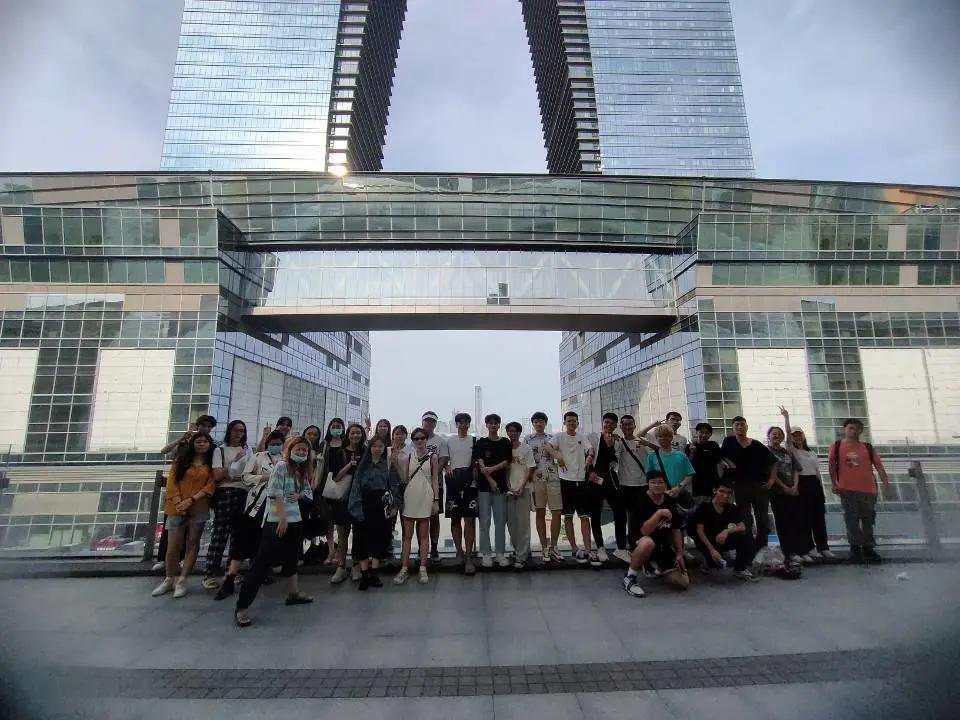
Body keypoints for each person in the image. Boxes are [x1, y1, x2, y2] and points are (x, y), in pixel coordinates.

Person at [233, 436, 314, 627]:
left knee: (292, 559)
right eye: (298, 449)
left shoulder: (301, 470)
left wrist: (299, 495)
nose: (301, 452)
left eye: (304, 450)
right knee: (262, 563)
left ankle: (294, 593)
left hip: (295, 520)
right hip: (276, 521)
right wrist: (282, 518)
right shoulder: (281, 467)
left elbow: (308, 492)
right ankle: (242, 607)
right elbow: (274, 492)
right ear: (290, 450)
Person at [214, 430, 285, 601]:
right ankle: (230, 578)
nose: (275, 446)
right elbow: (245, 477)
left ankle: (260, 573)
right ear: (267, 443)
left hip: (277, 506)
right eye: (272, 443)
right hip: (256, 504)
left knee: (266, 541)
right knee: (243, 540)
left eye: (278, 443)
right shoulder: (258, 457)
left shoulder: (286, 459)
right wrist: (265, 477)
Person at [151, 432, 216, 599]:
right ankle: (169, 579)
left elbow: (210, 485)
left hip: (199, 506)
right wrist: (179, 502)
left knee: (192, 544)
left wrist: (192, 500)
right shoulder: (181, 461)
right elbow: (171, 483)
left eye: (205, 442)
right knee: (173, 546)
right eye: (198, 441)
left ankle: (182, 580)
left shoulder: (211, 463)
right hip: (176, 507)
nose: (202, 444)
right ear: (192, 444)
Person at [828, 418, 890, 564]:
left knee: (868, 520)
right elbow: (831, 466)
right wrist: (834, 483)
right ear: (845, 430)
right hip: (847, 489)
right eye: (851, 428)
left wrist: (886, 484)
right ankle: (855, 548)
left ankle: (868, 548)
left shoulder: (867, 447)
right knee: (852, 520)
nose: (854, 431)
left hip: (868, 490)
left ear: (861, 431)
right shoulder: (837, 446)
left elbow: (879, 466)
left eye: (857, 429)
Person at [621, 471, 690, 598]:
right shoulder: (641, 500)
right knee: (648, 543)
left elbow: (676, 529)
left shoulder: (670, 501)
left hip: (662, 545)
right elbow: (645, 531)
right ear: (648, 484)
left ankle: (656, 566)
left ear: (665, 485)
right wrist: (658, 514)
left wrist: (680, 553)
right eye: (653, 482)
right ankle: (630, 577)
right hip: (641, 540)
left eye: (660, 482)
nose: (657, 485)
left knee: (683, 582)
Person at [202, 420, 251, 589]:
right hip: (225, 492)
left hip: (244, 492)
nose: (239, 434)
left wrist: (233, 474)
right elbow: (218, 475)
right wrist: (233, 463)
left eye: (242, 431)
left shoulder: (247, 450)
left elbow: (249, 473)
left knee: (238, 534)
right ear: (229, 431)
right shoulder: (220, 450)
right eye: (236, 430)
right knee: (220, 533)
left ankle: (232, 572)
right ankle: (210, 573)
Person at [720, 416, 776, 563]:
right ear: (733, 427)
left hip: (759, 485)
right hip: (739, 486)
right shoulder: (729, 441)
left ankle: (761, 550)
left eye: (742, 424)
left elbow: (773, 462)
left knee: (763, 519)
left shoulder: (756, 444)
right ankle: (748, 551)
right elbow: (720, 457)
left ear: (747, 426)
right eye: (737, 425)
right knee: (745, 519)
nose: (740, 427)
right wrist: (728, 464)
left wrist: (771, 480)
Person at [348, 436, 399, 590]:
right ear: (369, 448)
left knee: (379, 539)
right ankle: (364, 576)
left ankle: (374, 574)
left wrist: (394, 506)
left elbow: (393, 486)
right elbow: (355, 487)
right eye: (374, 446)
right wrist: (356, 509)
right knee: (362, 541)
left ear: (384, 449)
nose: (377, 449)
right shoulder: (362, 466)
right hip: (364, 505)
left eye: (380, 446)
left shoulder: (387, 465)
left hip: (381, 506)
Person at [783, 414, 836, 560]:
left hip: (814, 483)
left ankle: (823, 547)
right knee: (804, 518)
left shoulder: (811, 452)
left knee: (818, 517)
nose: (797, 437)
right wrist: (786, 418)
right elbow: (787, 434)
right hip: (802, 482)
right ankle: (808, 548)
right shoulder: (792, 450)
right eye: (794, 435)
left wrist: (821, 487)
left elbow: (817, 471)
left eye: (799, 434)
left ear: (803, 435)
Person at [548, 411, 594, 564]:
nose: (572, 423)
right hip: (565, 480)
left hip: (581, 480)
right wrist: (558, 456)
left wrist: (590, 456)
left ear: (577, 423)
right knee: (568, 516)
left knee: (584, 517)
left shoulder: (582, 437)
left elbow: (590, 449)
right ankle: (574, 548)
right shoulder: (559, 437)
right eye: (569, 421)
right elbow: (547, 446)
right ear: (564, 422)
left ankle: (588, 549)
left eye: (574, 421)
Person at [689, 478, 759, 582]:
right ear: (714, 491)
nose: (725, 495)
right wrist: (712, 551)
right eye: (721, 491)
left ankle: (740, 569)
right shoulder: (704, 508)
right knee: (715, 565)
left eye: (729, 493)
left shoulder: (731, 508)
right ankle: (707, 562)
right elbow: (700, 532)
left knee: (746, 537)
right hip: (705, 541)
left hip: (721, 538)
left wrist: (726, 531)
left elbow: (742, 527)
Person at [394, 428, 439, 585]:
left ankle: (422, 567)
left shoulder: (433, 457)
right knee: (407, 536)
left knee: (424, 535)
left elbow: (435, 479)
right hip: (410, 495)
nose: (419, 441)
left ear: (426, 439)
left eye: (422, 438)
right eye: (416, 438)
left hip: (426, 496)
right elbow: (404, 478)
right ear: (412, 441)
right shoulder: (409, 456)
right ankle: (404, 567)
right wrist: (395, 462)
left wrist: (436, 500)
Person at [613, 414, 659, 559]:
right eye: (624, 424)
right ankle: (623, 546)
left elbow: (659, 451)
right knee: (623, 517)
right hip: (624, 485)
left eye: (630, 424)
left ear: (634, 425)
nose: (627, 427)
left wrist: (648, 444)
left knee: (641, 517)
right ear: (621, 427)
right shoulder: (618, 442)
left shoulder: (643, 441)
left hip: (642, 485)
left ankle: (640, 545)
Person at [586, 412, 627, 567]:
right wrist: (590, 472)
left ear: (615, 426)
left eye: (611, 423)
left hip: (610, 480)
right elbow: (587, 455)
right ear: (602, 423)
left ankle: (621, 548)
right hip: (594, 479)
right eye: (606, 422)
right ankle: (600, 547)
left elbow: (615, 461)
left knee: (620, 512)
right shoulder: (592, 437)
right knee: (595, 514)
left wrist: (610, 446)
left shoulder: (618, 442)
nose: (608, 425)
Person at [327, 423, 366, 583]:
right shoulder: (340, 452)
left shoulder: (366, 451)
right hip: (343, 497)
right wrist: (349, 465)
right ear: (347, 435)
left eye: (358, 432)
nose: (355, 435)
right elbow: (335, 477)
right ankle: (341, 566)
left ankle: (356, 565)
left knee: (358, 533)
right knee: (342, 533)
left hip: (360, 498)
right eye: (352, 433)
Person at [473, 414, 512, 568]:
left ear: (499, 425)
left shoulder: (505, 442)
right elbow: (480, 463)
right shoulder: (481, 442)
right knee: (484, 521)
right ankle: (486, 554)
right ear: (486, 425)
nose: (493, 425)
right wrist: (490, 479)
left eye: (496, 423)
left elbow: (507, 462)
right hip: (484, 486)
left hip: (501, 486)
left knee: (500, 521)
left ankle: (500, 553)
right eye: (490, 423)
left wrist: (492, 469)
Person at [526, 412, 563, 564]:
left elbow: (560, 456)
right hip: (536, 480)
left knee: (557, 512)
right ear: (533, 424)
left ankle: (554, 546)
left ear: (545, 423)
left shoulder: (553, 438)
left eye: (541, 421)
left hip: (554, 478)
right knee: (540, 513)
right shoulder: (528, 439)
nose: (539, 424)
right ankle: (544, 547)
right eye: (536, 421)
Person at [766, 421, 804, 566]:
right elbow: (771, 474)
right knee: (782, 522)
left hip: (792, 491)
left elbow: (795, 470)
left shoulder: (786, 452)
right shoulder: (766, 452)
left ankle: (796, 550)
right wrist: (785, 487)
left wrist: (794, 486)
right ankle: (788, 552)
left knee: (794, 521)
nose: (777, 436)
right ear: (769, 436)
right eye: (774, 434)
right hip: (777, 492)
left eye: (779, 434)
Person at [445, 413, 479, 574]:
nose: (463, 425)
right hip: (453, 480)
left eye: (466, 423)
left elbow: (478, 461)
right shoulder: (449, 441)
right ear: (456, 424)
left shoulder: (474, 440)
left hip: (470, 481)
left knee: (470, 519)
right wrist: (447, 467)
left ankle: (469, 556)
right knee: (455, 518)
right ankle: (459, 551)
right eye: (460, 423)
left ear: (469, 425)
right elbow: (444, 459)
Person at [416, 412, 449, 565]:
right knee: (420, 517)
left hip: (436, 485)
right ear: (422, 422)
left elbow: (443, 459)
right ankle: (420, 549)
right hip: (418, 485)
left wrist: (433, 475)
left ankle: (434, 549)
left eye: (432, 422)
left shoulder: (440, 441)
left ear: (435, 424)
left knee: (434, 517)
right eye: (426, 421)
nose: (429, 424)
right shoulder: (415, 439)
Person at [316, 418, 346, 566]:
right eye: (333, 426)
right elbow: (318, 465)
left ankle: (340, 552)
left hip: (343, 484)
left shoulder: (346, 443)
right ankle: (331, 551)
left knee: (341, 522)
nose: (336, 429)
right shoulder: (325, 444)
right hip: (326, 484)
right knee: (328, 520)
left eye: (338, 426)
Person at [505, 422, 535, 570]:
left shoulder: (526, 448)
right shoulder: (505, 449)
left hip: (524, 489)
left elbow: (530, 468)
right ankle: (520, 550)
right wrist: (507, 486)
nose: (513, 433)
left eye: (516, 431)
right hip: (509, 490)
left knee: (523, 524)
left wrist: (522, 487)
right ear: (507, 433)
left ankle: (521, 557)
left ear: (519, 433)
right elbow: (505, 469)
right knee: (511, 524)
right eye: (510, 431)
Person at [299, 425, 326, 564]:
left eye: (315, 435)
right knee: (299, 521)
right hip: (298, 490)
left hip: (315, 490)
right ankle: (298, 554)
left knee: (315, 520)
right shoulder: (298, 449)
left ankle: (313, 551)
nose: (312, 437)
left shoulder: (320, 451)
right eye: (309, 433)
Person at [645, 425, 695, 497]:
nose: (663, 439)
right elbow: (649, 477)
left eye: (666, 436)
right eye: (660, 436)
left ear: (671, 437)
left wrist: (679, 487)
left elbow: (689, 475)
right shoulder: (651, 456)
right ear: (656, 438)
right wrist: (662, 490)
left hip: (680, 493)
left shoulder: (681, 455)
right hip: (660, 494)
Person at [686, 422, 723, 507]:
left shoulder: (714, 445)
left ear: (710, 434)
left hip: (713, 482)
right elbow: (688, 464)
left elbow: (718, 461)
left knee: (714, 507)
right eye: (701, 432)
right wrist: (692, 452)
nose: (704, 435)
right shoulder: (690, 446)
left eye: (707, 433)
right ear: (696, 432)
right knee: (699, 508)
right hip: (697, 484)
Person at [386, 425, 410, 560]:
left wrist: (395, 462)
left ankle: (404, 554)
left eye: (402, 433)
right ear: (393, 436)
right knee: (390, 522)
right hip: (390, 490)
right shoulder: (387, 450)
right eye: (396, 434)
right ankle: (389, 552)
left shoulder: (410, 451)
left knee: (406, 521)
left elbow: (407, 476)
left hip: (405, 488)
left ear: (406, 435)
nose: (399, 436)